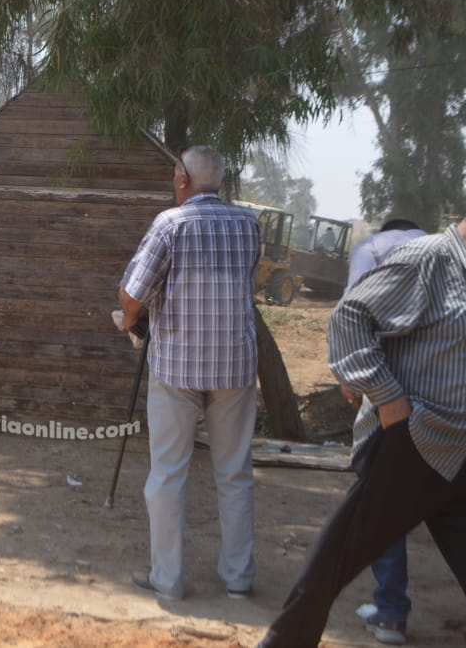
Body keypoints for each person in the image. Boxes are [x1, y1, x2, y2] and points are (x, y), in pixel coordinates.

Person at [260, 178, 466, 648]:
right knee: (332, 568)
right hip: (415, 448)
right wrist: (387, 395)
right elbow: (350, 316)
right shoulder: (429, 259)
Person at [117, 146, 263, 601]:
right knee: (235, 474)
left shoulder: (171, 223)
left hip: (177, 367)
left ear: (183, 179)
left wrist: (132, 318)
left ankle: (169, 578)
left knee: (167, 474)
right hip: (236, 368)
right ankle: (238, 580)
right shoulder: (249, 225)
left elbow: (131, 297)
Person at [342, 219, 429, 646]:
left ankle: (391, 612)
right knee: (454, 502)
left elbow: (353, 318)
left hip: (391, 394)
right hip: (450, 396)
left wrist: (352, 381)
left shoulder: (373, 249)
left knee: (383, 498)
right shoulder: (448, 254)